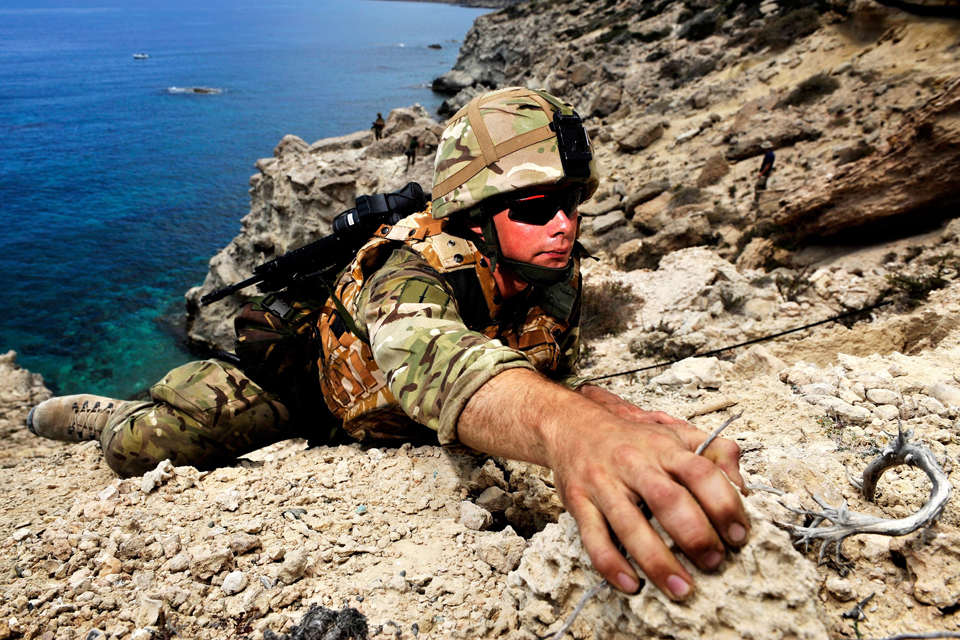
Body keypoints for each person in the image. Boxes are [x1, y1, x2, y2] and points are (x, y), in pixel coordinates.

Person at [27, 87, 748, 601]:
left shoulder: (549, 270)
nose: (563, 224)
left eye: (570, 204)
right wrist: (570, 429)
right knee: (145, 448)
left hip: (398, 418)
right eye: (535, 207)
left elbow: (534, 355)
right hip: (312, 395)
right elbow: (435, 359)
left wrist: (585, 401)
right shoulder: (405, 269)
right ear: (476, 213)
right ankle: (105, 413)